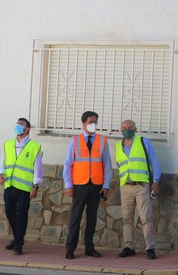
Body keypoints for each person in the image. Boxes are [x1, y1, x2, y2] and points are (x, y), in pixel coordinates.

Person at [63, 111, 112, 259]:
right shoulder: (75, 140)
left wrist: (106, 185)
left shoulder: (102, 141)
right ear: (83, 124)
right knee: (75, 217)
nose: (93, 125)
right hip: (79, 184)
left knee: (92, 218)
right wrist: (68, 185)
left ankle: (89, 248)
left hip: (96, 185)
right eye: (90, 122)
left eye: (95, 122)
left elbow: (107, 165)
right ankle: (70, 248)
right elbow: (68, 164)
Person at [115, 118, 161, 260]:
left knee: (146, 218)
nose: (126, 130)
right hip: (126, 187)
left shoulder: (143, 141)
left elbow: (154, 161)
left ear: (135, 128)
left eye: (129, 127)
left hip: (141, 185)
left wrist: (156, 181)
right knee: (127, 219)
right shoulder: (118, 146)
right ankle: (129, 246)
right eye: (123, 128)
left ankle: (150, 248)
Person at [0, 117, 43, 255]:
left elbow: (38, 168)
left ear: (27, 129)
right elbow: (2, 163)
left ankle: (18, 244)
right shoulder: (8, 144)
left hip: (24, 187)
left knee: (22, 214)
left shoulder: (34, 147)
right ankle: (18, 238)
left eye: (21, 124)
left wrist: (35, 186)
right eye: (17, 123)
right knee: (10, 213)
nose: (17, 126)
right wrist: (0, 173)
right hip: (9, 185)